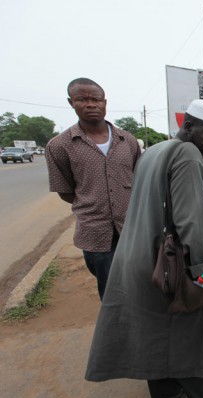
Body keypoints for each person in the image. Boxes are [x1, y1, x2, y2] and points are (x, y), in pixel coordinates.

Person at [85, 99, 203, 398]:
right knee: (190, 332)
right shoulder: (187, 155)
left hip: (138, 258)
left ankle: (170, 391)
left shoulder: (154, 151)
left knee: (155, 330)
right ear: (187, 126)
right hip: (168, 266)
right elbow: (194, 223)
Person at [46, 78, 140, 301]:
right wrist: (95, 202)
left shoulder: (127, 141)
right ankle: (116, 335)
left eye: (95, 99)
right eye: (82, 99)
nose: (90, 104)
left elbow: (139, 179)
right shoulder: (59, 146)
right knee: (111, 294)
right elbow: (66, 191)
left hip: (132, 230)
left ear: (104, 102)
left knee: (138, 285)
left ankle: (138, 332)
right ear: (71, 103)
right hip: (95, 234)